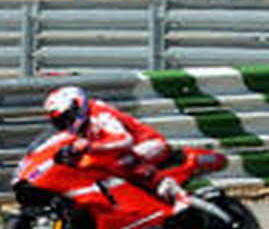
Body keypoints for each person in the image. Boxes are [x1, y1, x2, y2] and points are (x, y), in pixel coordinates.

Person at [43, 86, 191, 214]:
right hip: (120, 150)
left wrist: (91, 147)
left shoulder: (100, 115)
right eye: (59, 121)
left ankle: (178, 195)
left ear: (77, 107)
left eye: (66, 118)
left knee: (123, 162)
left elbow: (125, 139)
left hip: (147, 143)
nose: (64, 124)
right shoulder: (79, 127)